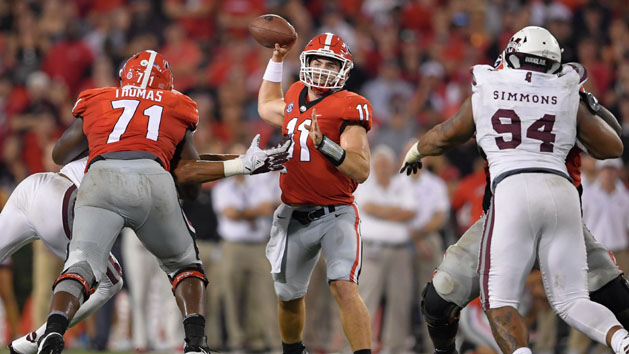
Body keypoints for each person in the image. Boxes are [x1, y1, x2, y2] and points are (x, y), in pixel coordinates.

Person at [35, 49, 290, 354]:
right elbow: (186, 173)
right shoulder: (177, 104)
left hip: (99, 177)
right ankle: (195, 343)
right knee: (184, 263)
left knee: (80, 263)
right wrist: (236, 165)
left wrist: (104, 136)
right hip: (151, 178)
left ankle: (53, 329)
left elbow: (59, 155)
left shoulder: (98, 98)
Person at [400, 26, 628, 354]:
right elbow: (613, 143)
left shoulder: (492, 87)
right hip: (560, 202)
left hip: (511, 200)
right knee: (574, 301)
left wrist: (416, 151)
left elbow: (446, 134)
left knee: (501, 300)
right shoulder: (566, 93)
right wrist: (585, 101)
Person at [257, 33, 373, 354]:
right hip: (293, 214)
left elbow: (361, 169)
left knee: (343, 287)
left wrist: (325, 145)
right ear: (306, 63)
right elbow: (267, 106)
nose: (322, 68)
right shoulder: (295, 94)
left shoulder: (351, 105)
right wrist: (276, 61)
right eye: (317, 61)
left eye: (331, 63)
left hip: (335, 212)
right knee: (288, 297)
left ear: (344, 69)